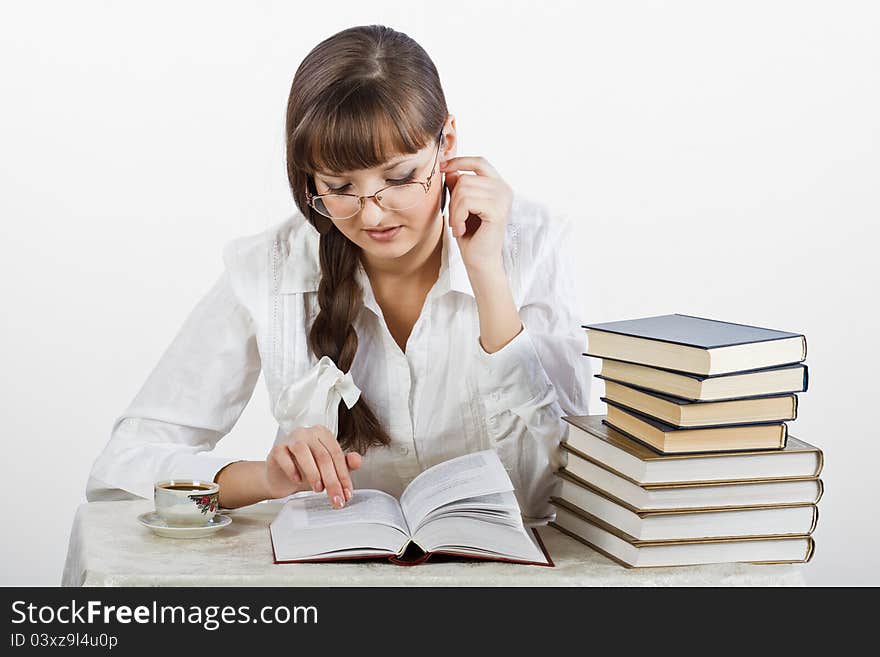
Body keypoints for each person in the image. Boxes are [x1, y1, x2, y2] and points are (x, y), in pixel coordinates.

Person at [86, 24, 590, 523]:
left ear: (447, 143)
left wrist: (487, 276)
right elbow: (123, 469)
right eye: (339, 186)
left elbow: (565, 491)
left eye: (399, 178)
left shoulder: (534, 244)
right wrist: (265, 479)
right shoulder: (270, 268)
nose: (371, 215)